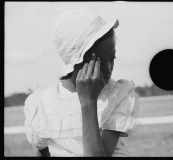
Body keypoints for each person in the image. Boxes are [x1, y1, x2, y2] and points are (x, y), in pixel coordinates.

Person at [23, 7, 142, 157]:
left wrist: (88, 103)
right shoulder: (41, 104)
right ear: (73, 61)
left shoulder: (115, 96)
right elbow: (42, 152)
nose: (108, 69)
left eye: (112, 59)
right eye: (97, 62)